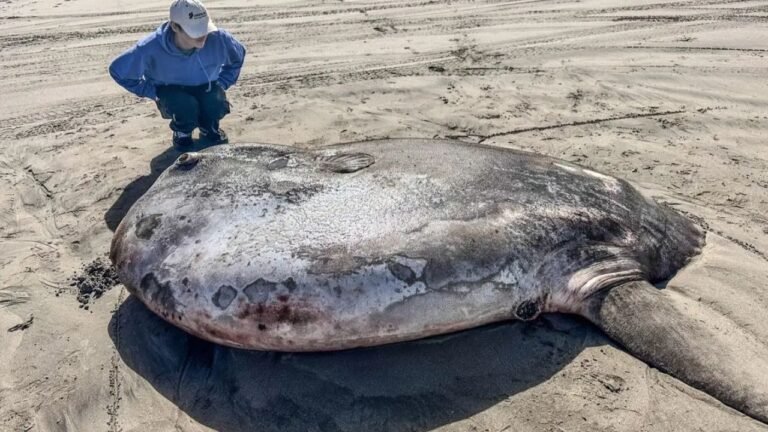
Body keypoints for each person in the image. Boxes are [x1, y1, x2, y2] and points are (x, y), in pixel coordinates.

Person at [109, 0, 246, 147]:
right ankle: (182, 133)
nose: (202, 34)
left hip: (207, 86)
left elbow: (238, 56)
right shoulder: (149, 47)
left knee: (215, 102)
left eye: (204, 27)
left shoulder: (220, 38)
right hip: (171, 91)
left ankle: (209, 128)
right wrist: (153, 92)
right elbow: (119, 71)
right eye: (194, 29)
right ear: (175, 26)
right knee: (184, 106)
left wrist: (223, 82)